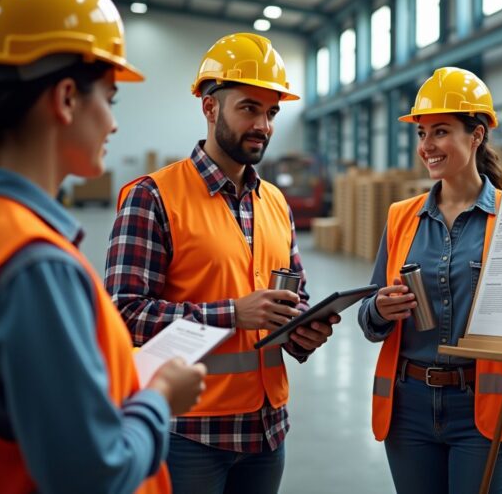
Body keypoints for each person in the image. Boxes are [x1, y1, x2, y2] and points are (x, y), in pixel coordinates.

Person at [0, 0, 206, 494]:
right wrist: (159, 399)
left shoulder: (0, 231)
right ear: (65, 100)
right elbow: (93, 473)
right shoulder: (35, 265)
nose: (113, 121)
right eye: (109, 98)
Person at [104, 32, 340, 494]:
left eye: (271, 113)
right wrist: (233, 313)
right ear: (210, 108)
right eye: (249, 108)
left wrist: (303, 329)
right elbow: (123, 315)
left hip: (267, 430)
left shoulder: (275, 201)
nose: (264, 126)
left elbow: (295, 296)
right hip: (189, 433)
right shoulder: (152, 197)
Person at [358, 67, 502, 494]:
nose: (426, 146)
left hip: (484, 405)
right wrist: (379, 309)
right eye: (420, 134)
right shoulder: (402, 216)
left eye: (440, 131)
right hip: (409, 407)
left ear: (476, 135)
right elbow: (368, 316)